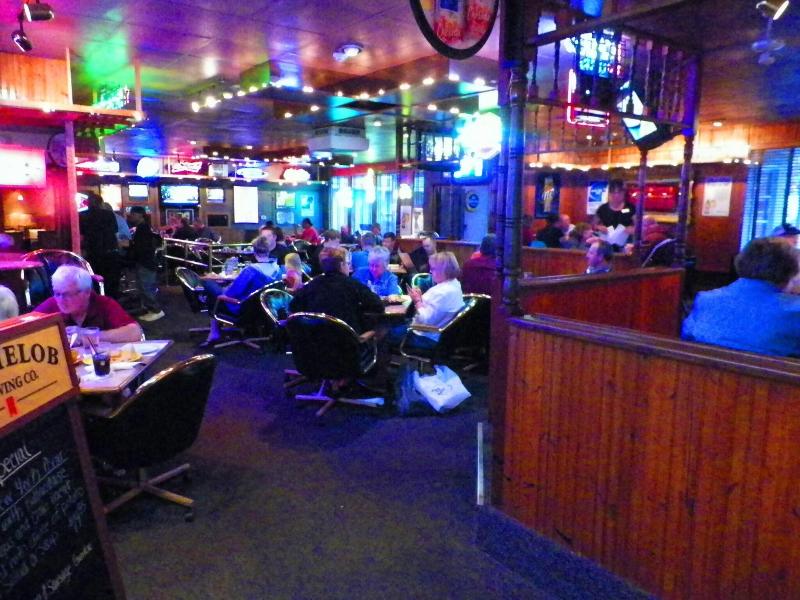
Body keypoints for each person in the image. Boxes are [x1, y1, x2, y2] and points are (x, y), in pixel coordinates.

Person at [682, 238, 800, 357]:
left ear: (741, 261)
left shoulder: (706, 299)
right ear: (790, 272)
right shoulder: (794, 311)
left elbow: (687, 338)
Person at [200, 236, 282, 347]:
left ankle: (214, 331)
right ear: (269, 250)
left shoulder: (251, 270)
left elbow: (231, 293)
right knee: (216, 290)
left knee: (208, 284)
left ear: (254, 251)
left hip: (240, 307)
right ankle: (215, 330)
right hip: (264, 308)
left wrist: (223, 286)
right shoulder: (277, 269)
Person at [34, 265, 143, 342]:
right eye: (57, 293)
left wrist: (89, 336)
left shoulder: (103, 304)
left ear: (86, 292)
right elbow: (27, 327)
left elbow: (135, 332)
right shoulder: (52, 303)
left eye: (67, 294)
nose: (61, 300)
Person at [290, 247, 383, 334]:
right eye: (348, 263)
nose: (350, 268)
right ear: (342, 265)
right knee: (381, 328)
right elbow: (378, 305)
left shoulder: (311, 285)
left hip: (316, 339)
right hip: (348, 340)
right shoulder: (352, 284)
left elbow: (293, 307)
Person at [391, 252, 465, 351]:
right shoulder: (455, 285)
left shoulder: (440, 292)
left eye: (433, 269)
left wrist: (417, 301)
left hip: (425, 337)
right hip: (441, 336)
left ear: (443, 270)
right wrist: (421, 298)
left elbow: (424, 319)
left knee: (384, 332)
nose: (430, 271)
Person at [127, 206, 165, 321]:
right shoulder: (144, 227)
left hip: (145, 262)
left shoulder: (143, 229)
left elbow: (141, 247)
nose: (131, 216)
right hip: (146, 261)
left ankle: (156, 310)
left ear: (140, 215)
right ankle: (150, 309)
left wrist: (129, 245)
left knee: (146, 287)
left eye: (133, 214)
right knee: (144, 287)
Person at [79, 192, 120, 298]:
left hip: (93, 253)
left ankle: (99, 302)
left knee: (95, 281)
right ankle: (111, 303)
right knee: (111, 283)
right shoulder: (109, 214)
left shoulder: (83, 215)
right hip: (110, 252)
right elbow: (115, 231)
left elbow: (81, 236)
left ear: (87, 203)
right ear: (101, 203)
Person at [596, 180, 636, 245]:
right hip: (605, 243)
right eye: (613, 192)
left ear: (624, 193)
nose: (616, 195)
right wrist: (599, 228)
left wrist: (633, 229)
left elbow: (640, 227)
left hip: (627, 244)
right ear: (609, 193)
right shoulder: (602, 208)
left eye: (619, 192)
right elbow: (593, 225)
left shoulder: (631, 208)